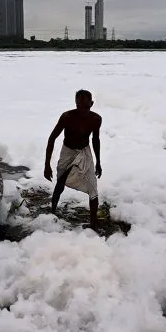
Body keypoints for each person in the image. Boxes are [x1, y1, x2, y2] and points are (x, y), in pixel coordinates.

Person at [44, 89, 103, 229]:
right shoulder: (67, 117)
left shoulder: (95, 119)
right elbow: (52, 139)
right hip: (68, 151)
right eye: (79, 106)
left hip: (84, 151)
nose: (82, 110)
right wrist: (47, 165)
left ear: (92, 104)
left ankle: (93, 224)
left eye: (86, 107)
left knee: (92, 187)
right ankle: (52, 212)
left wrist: (98, 162)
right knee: (61, 180)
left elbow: (95, 140)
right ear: (75, 104)